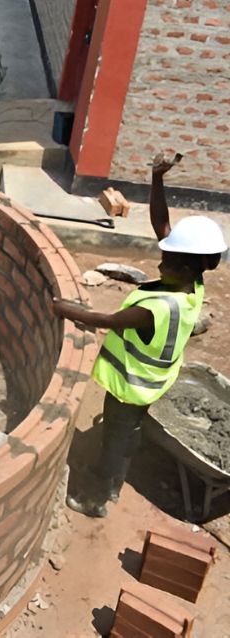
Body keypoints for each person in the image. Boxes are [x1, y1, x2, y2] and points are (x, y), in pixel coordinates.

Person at [53, 153, 226, 517]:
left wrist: (56, 306)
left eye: (167, 260)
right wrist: (157, 177)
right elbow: (162, 226)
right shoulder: (191, 282)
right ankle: (111, 474)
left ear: (184, 265)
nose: (160, 262)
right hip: (153, 381)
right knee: (122, 433)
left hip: (132, 387)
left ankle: (99, 497)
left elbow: (102, 319)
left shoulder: (155, 309)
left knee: (117, 441)